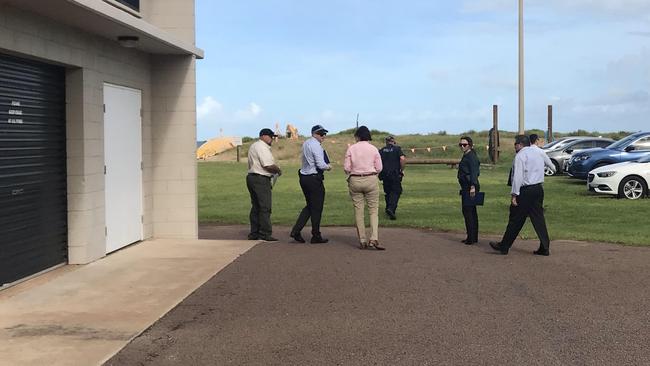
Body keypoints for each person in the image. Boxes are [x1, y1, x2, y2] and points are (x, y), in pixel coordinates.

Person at [490, 135, 551, 256]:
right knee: (538, 218)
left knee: (515, 218)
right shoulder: (538, 153)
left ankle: (504, 246)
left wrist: (514, 195)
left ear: (520, 144)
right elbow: (548, 165)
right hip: (538, 188)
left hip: (526, 190)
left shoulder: (520, 156)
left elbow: (517, 177)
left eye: (515, 144)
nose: (514, 146)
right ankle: (545, 247)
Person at [344, 126, 385, 250]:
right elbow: (379, 167)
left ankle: (362, 239)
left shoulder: (351, 148)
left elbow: (346, 168)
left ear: (358, 136)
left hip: (355, 179)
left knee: (359, 211)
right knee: (373, 211)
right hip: (371, 179)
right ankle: (374, 238)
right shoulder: (373, 149)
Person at [290, 125, 331, 244]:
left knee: (310, 206)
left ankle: (296, 230)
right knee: (317, 207)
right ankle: (316, 235)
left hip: (304, 177)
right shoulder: (316, 146)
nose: (324, 136)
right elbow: (320, 164)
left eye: (324, 133)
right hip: (313, 178)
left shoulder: (306, 143)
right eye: (321, 133)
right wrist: (328, 167)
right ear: (315, 134)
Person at [246, 128, 282, 241]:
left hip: (252, 177)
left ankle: (254, 232)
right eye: (271, 136)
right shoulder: (262, 147)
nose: (272, 139)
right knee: (265, 207)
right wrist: (278, 170)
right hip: (260, 178)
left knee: (256, 207)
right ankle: (264, 233)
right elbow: (267, 165)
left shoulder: (254, 145)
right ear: (263, 136)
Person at [457, 136, 480, 245]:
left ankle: (471, 237)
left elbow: (474, 172)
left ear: (470, 145)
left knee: (468, 212)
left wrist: (473, 186)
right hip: (466, 186)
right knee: (471, 212)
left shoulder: (471, 156)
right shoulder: (467, 155)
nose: (462, 146)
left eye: (464, 145)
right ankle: (472, 236)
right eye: (460, 145)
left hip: (470, 187)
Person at [379, 135, 406, 220]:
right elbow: (402, 159)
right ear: (393, 141)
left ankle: (388, 208)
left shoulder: (382, 150)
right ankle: (391, 209)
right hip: (394, 174)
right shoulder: (397, 149)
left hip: (384, 174)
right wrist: (402, 170)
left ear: (386, 142)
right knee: (396, 191)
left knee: (388, 192)